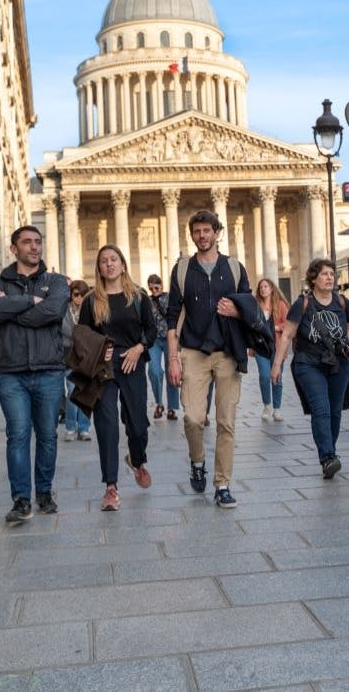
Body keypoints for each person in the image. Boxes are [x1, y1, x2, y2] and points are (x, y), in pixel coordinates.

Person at [0, 225, 70, 523]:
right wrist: (30, 301)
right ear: (14, 248)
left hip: (48, 371)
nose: (34, 247)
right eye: (27, 242)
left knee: (47, 436)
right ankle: (21, 500)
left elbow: (54, 311)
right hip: (12, 373)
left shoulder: (56, 281)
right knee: (17, 435)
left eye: (37, 242)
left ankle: (43, 492)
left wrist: (14, 310)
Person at [166, 210, 253, 509]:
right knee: (192, 417)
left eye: (207, 231)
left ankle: (223, 484)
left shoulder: (234, 267)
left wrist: (237, 312)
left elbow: (250, 305)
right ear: (191, 235)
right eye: (197, 231)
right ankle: (197, 460)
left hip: (227, 351)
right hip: (192, 350)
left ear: (217, 233)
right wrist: (172, 359)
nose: (202, 236)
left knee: (226, 422)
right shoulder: (181, 270)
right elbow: (171, 316)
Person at [78, 245, 160, 512]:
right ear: (99, 268)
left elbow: (151, 329)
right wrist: (101, 347)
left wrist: (139, 348)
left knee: (138, 425)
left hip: (132, 363)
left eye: (114, 260)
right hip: (104, 369)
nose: (109, 264)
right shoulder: (91, 301)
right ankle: (110, 487)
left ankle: (137, 459)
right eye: (104, 261)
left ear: (123, 265)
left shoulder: (138, 297)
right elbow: (82, 336)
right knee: (107, 425)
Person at [273, 259, 349, 479]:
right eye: (324, 274)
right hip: (308, 363)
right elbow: (288, 334)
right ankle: (328, 457)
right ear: (313, 279)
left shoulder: (341, 302)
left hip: (339, 363)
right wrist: (277, 365)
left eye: (332, 274)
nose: (330, 277)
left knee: (335, 411)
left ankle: (329, 449)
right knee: (321, 408)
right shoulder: (302, 303)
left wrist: (348, 340)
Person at [253, 278, 288, 421]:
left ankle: (277, 409)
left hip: (278, 347)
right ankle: (267, 405)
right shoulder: (256, 306)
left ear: (272, 288)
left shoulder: (280, 305)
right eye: (261, 287)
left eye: (265, 286)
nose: (263, 289)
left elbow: (289, 324)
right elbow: (250, 324)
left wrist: (277, 328)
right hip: (261, 347)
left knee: (277, 378)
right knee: (265, 376)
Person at [62, 280, 93, 441]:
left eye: (82, 295)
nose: (79, 298)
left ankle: (84, 428)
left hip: (87, 357)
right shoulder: (64, 310)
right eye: (76, 294)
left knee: (85, 392)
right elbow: (63, 329)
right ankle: (70, 427)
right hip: (70, 356)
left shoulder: (90, 309)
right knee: (72, 391)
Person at [146, 274, 176, 420]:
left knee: (172, 371)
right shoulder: (147, 300)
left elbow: (171, 313)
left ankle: (172, 408)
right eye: (151, 288)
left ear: (161, 286)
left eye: (156, 287)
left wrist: (159, 298)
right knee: (154, 371)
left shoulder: (169, 297)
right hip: (154, 340)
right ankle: (159, 403)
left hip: (169, 338)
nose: (153, 290)